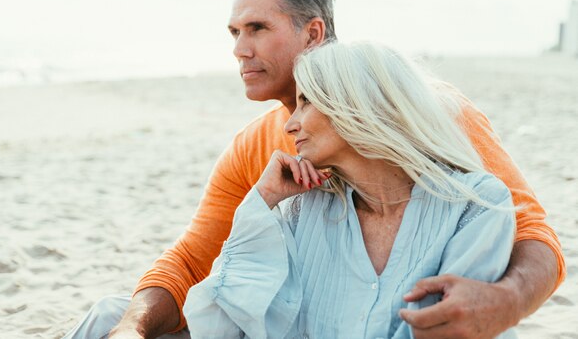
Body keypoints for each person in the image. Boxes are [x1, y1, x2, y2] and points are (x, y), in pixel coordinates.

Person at [63, 0, 564, 339]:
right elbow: (195, 259)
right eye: (235, 32)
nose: (239, 48)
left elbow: (530, 228)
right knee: (111, 314)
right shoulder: (255, 145)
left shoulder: (428, 113)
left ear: (314, 33)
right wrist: (133, 325)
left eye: (258, 28)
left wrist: (509, 299)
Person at [183, 41, 518, 338]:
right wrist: (261, 201)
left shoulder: (475, 205)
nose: (290, 124)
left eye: (306, 102)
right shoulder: (302, 212)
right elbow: (223, 326)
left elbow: (440, 330)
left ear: (357, 103)